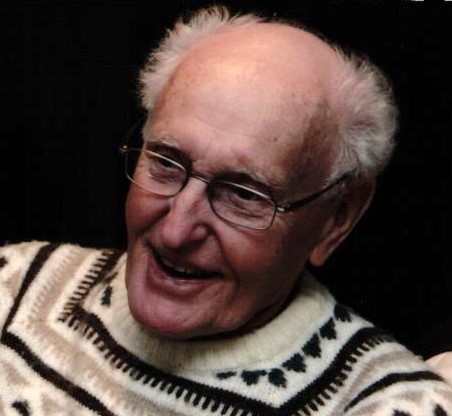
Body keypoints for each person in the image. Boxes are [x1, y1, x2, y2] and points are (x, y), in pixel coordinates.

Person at [0, 5, 451, 416]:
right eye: (166, 163)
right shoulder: (13, 285)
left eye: (243, 194)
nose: (176, 231)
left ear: (336, 219)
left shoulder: (388, 406)